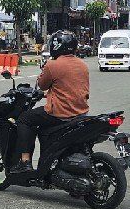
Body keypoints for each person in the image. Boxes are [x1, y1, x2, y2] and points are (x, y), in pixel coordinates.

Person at [11, 30, 90, 173]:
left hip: (60, 113)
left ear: (56, 46)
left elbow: (42, 85)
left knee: (24, 119)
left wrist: (44, 69)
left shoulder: (53, 65)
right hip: (81, 112)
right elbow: (69, 88)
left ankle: (25, 162)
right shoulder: (82, 64)